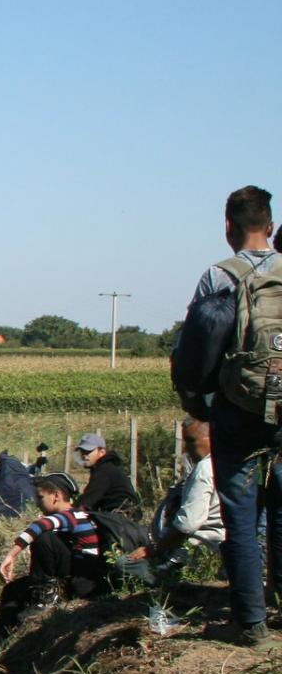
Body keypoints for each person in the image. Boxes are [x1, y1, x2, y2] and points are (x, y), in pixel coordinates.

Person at [173, 185, 280, 643]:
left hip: (237, 408)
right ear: (271, 226)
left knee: (239, 510)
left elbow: (195, 351)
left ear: (228, 228)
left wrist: (199, 404)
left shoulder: (218, 277)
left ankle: (250, 622)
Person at [0, 474, 106, 630]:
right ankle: (2, 640)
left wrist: (11, 555)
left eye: (40, 498)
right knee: (13, 589)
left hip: (81, 580)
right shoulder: (75, 516)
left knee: (43, 536)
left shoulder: (72, 516)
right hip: (74, 574)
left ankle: (46, 596)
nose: (37, 503)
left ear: (56, 496)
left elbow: (39, 526)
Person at [135, 418, 223, 569]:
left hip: (194, 552)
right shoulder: (223, 465)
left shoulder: (204, 468)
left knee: (126, 564)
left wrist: (154, 549)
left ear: (210, 438)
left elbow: (188, 523)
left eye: (191, 440)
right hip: (210, 549)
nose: (186, 448)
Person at [72, 432, 140, 519]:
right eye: (82, 452)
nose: (84, 456)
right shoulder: (106, 468)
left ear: (102, 452)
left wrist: (68, 511)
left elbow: (88, 500)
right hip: (120, 517)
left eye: (88, 451)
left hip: (120, 519)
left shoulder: (105, 470)